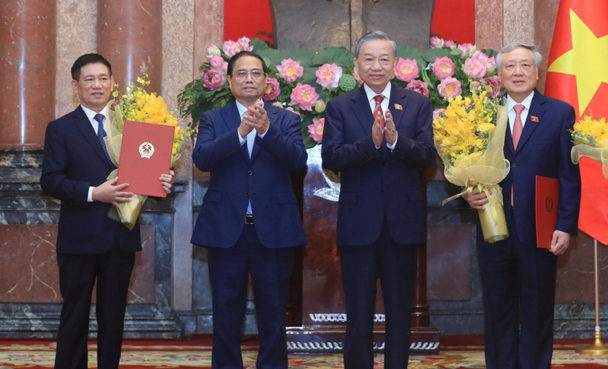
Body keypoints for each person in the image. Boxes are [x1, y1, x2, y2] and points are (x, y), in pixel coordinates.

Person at [40, 53, 174, 369]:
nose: (97, 85)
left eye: (103, 78)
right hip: (78, 238)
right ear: (76, 85)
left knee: (113, 316)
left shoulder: (132, 126)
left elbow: (141, 178)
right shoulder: (60, 129)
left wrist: (160, 182)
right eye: (89, 79)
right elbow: (50, 180)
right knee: (75, 315)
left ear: (113, 83)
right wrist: (92, 193)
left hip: (119, 236)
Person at [321, 30, 437, 369]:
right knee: (358, 309)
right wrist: (370, 144)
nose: (376, 66)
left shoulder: (416, 104)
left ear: (396, 64)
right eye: (368, 59)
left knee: (400, 309)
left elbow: (427, 157)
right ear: (356, 65)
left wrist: (396, 140)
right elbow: (331, 158)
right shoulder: (340, 107)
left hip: (402, 224)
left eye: (384, 59)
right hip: (359, 224)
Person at [462, 42, 581, 369]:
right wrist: (466, 194)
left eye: (525, 65)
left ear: (537, 72)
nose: (518, 72)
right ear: (499, 74)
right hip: (493, 227)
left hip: (540, 229)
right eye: (510, 66)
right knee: (497, 308)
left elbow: (569, 176)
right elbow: (464, 164)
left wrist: (565, 226)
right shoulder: (481, 112)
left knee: (537, 308)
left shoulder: (559, 113)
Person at [191, 50, 307, 369]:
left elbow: (298, 162)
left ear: (267, 81)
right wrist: (240, 134)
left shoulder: (287, 120)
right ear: (229, 82)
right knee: (227, 312)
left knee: (273, 313)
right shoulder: (214, 120)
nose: (249, 79)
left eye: (255, 73)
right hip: (227, 229)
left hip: (274, 230)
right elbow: (202, 159)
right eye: (241, 74)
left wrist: (268, 132)